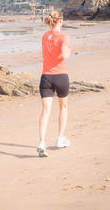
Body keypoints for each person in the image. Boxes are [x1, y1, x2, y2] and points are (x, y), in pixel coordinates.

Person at [37, 10, 71, 157]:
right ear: (61, 21)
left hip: (46, 78)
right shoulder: (64, 36)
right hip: (61, 76)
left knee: (45, 111)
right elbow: (64, 55)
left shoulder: (45, 36)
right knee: (63, 107)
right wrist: (69, 51)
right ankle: (60, 138)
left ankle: (41, 143)